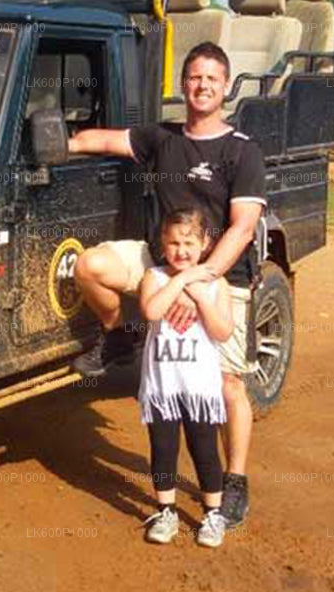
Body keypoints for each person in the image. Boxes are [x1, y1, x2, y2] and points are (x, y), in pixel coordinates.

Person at [66, 42, 265, 528]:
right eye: (194, 77)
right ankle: (120, 336)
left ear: (226, 87)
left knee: (226, 383)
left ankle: (234, 479)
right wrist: (59, 141)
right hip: (160, 265)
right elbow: (107, 141)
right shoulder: (163, 137)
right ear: (183, 84)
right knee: (88, 266)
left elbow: (242, 227)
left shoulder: (242, 151)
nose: (201, 86)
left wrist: (201, 281)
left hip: (219, 275)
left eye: (211, 79)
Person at [138, 208, 234, 547]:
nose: (181, 250)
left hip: (199, 389)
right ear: (163, 244)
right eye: (174, 243)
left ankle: (213, 513)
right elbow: (151, 311)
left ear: (205, 243)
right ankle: (165, 511)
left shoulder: (215, 284)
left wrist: (197, 293)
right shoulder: (155, 277)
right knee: (163, 448)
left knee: (204, 449)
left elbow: (223, 331)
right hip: (163, 386)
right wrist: (179, 280)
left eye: (189, 243)